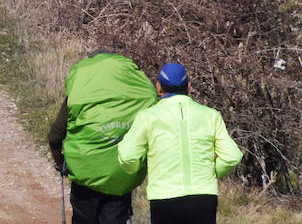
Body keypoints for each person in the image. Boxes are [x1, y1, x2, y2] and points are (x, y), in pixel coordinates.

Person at [117, 63, 243, 224]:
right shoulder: (211, 115)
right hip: (204, 196)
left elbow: (127, 157)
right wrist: (211, 173)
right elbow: (231, 157)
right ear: (188, 87)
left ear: (158, 87)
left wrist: (137, 171)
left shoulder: (148, 117)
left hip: (164, 197)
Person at [48, 52, 159, 224]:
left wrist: (60, 162)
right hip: (120, 175)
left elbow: (55, 136)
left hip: (84, 171)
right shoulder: (135, 99)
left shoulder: (79, 96)